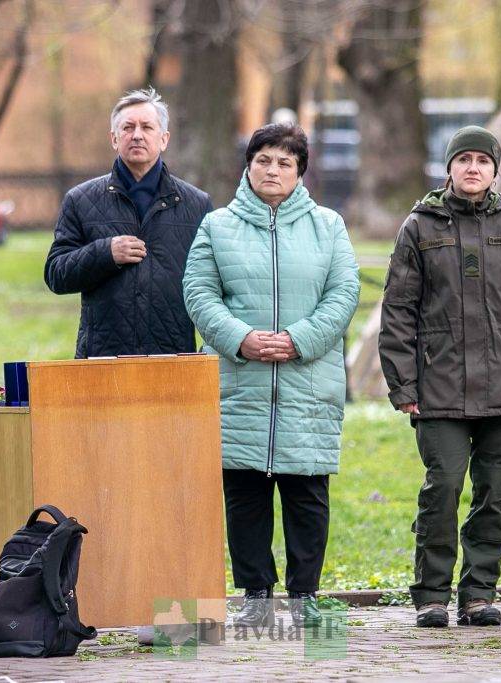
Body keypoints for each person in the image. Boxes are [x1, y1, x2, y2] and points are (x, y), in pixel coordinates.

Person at [378, 126, 501, 629]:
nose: (473, 168)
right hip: (439, 390)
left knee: (493, 494)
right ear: (449, 169)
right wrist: (404, 385)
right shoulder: (419, 228)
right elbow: (398, 311)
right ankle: (431, 594)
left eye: (483, 160)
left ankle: (479, 592)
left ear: (495, 171)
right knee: (443, 486)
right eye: (465, 160)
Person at [183, 123, 359, 628]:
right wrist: (240, 337)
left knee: (307, 496)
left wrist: (299, 339)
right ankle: (255, 596)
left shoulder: (329, 226)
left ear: (300, 171)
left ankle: (306, 597)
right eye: (264, 159)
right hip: (241, 381)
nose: (273, 170)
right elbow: (199, 291)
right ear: (248, 165)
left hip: (307, 383)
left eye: (285, 162)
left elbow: (344, 293)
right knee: (245, 496)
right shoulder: (217, 226)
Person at [44, 88, 212, 357]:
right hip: (102, 358)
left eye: (147, 127)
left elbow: (212, 284)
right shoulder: (80, 199)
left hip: (174, 359)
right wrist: (105, 253)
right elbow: (55, 274)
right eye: (128, 127)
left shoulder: (196, 204)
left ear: (164, 139)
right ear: (114, 138)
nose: (137, 135)